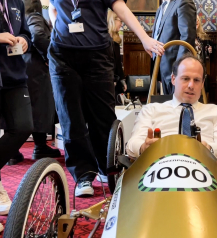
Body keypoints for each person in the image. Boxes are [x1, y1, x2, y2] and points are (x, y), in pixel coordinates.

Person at [48, 0, 164, 197]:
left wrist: (144, 38)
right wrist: (58, 28)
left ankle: (105, 166)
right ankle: (83, 175)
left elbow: (120, 8)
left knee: (102, 115)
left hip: (97, 54)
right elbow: (53, 7)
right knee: (70, 116)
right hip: (62, 55)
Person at [127, 54, 217, 162]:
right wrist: (143, 148)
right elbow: (132, 144)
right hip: (161, 166)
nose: (191, 85)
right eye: (186, 79)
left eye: (196, 80)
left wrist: (209, 149)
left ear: (202, 83)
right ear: (173, 79)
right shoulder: (151, 110)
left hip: (205, 167)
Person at [0, 0, 33, 230]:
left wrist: (24, 41)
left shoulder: (17, 3)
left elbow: (25, 33)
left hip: (14, 76)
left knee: (23, 126)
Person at [14, 0, 61, 160]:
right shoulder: (33, 15)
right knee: (39, 108)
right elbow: (38, 35)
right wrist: (50, 56)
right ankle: (40, 147)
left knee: (23, 110)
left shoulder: (17, 16)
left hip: (23, 67)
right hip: (36, 70)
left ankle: (13, 151)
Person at [150, 0, 196, 95]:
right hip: (161, 65)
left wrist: (178, 68)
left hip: (175, 65)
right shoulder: (161, 8)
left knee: (179, 106)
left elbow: (187, 38)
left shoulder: (184, 2)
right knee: (169, 105)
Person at [107, 10, 127, 100]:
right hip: (108, 82)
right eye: (120, 21)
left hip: (116, 83)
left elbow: (118, 64)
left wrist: (122, 80)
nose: (121, 24)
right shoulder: (104, 42)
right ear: (113, 20)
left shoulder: (116, 41)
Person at [195, 15, 212, 94]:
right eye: (194, 20)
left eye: (198, 20)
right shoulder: (186, 36)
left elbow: (208, 55)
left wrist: (209, 51)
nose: (196, 21)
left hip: (201, 66)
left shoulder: (203, 37)